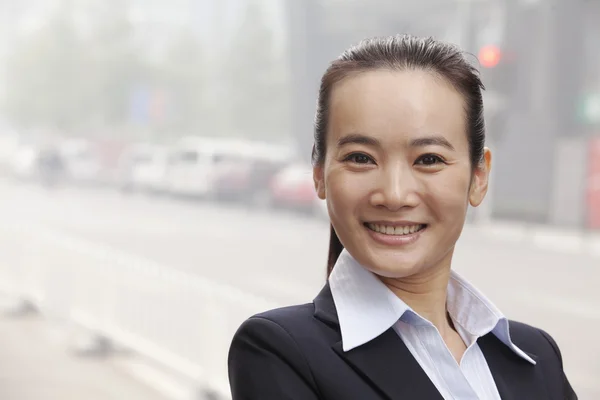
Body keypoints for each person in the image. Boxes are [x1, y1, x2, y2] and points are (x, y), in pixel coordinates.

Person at [227, 34, 578, 400]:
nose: (394, 195)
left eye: (428, 159)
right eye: (361, 157)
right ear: (319, 172)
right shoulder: (278, 352)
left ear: (479, 177)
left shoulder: (536, 357)